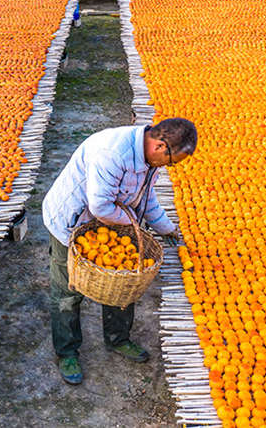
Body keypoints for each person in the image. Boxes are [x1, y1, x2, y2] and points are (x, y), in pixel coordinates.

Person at [42, 118, 197, 384]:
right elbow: (101, 206)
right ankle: (67, 352)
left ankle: (118, 338)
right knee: (68, 289)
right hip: (72, 222)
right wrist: (134, 225)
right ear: (160, 146)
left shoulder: (149, 159)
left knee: (123, 283)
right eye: (172, 162)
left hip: (111, 223)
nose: (170, 167)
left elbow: (146, 198)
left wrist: (166, 228)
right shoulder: (113, 153)